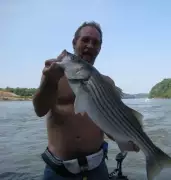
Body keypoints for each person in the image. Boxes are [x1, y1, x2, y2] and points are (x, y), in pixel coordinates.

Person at [32, 21, 140, 180]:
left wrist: (127, 139)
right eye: (85, 40)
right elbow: (39, 110)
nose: (90, 45)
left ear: (100, 48)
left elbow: (110, 123)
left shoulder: (107, 83)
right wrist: (50, 81)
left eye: (95, 42)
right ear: (74, 42)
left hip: (97, 169)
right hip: (59, 172)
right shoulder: (53, 74)